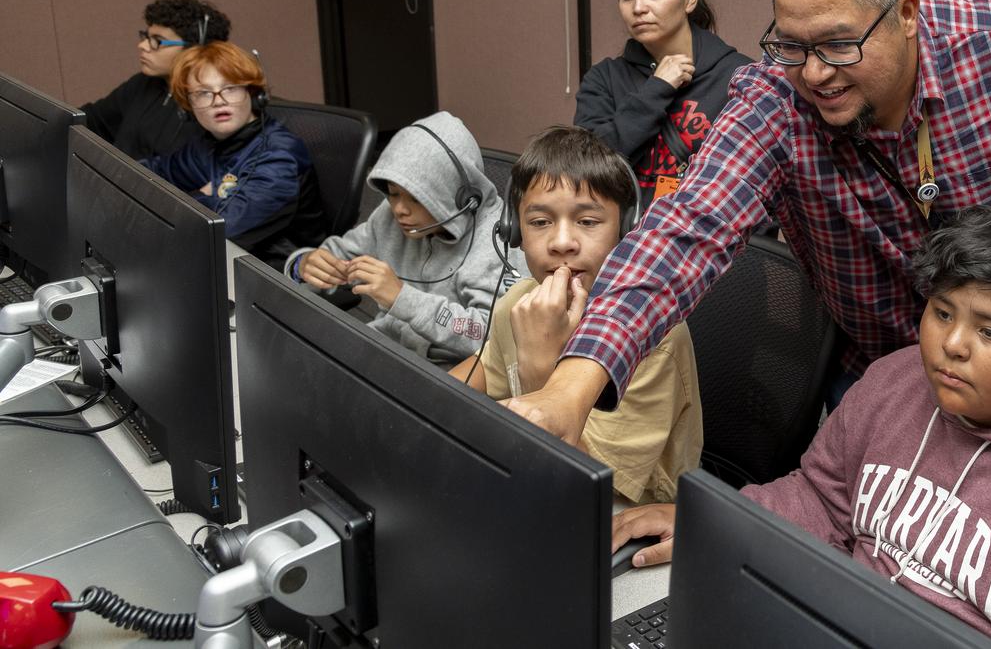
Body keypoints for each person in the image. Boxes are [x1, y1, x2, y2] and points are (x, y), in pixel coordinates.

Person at [502, 0, 991, 442]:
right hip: (872, 361)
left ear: (906, 14)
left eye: (838, 44)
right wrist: (569, 388)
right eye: (792, 46)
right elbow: (686, 230)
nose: (816, 74)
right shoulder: (774, 102)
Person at [612, 208, 991, 648]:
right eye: (942, 313)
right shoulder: (896, 380)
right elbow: (823, 498)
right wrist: (726, 515)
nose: (952, 346)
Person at [449, 127, 701, 504]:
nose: (562, 242)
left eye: (587, 221)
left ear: (626, 229)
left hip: (623, 514)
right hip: (530, 477)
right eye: (539, 222)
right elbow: (480, 374)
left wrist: (540, 365)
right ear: (513, 231)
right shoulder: (521, 302)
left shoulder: (653, 339)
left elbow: (583, 485)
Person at [287, 112, 516, 365]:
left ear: (459, 198)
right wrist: (303, 265)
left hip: (453, 371)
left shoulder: (497, 241)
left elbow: (489, 334)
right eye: (393, 194)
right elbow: (337, 255)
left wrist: (402, 298)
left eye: (417, 198)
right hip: (386, 350)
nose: (399, 210)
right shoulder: (389, 218)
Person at [574, 0, 751, 207]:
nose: (638, 8)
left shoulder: (738, 77)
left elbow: (758, 186)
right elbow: (586, 171)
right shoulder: (604, 79)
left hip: (707, 242)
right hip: (625, 242)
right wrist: (657, 89)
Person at [142, 41, 325, 269]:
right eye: (203, 93)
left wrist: (196, 195)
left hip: (276, 275)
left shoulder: (278, 156)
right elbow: (150, 173)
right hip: (227, 261)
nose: (219, 101)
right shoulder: (209, 145)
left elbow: (221, 229)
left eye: (230, 88)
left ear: (253, 93)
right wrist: (204, 196)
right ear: (188, 106)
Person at [83, 0, 231, 160]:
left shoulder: (217, 106)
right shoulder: (142, 83)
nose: (143, 46)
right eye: (146, 37)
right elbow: (92, 120)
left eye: (157, 41)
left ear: (195, 49)